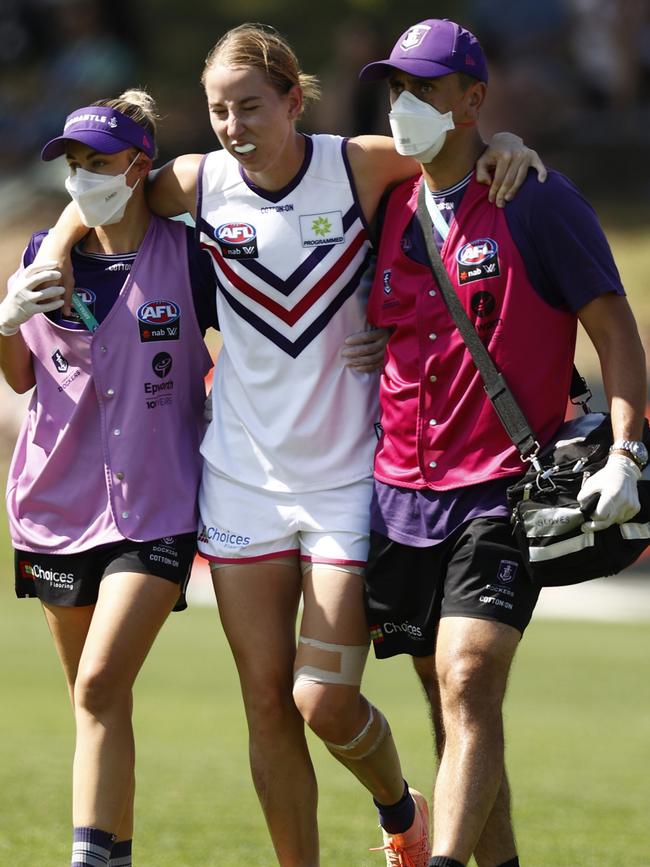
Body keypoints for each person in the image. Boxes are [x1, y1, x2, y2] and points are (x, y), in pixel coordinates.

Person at [35, 23, 546, 867]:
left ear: (290, 100)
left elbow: (450, 149)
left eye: (247, 106)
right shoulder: (195, 182)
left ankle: (397, 807)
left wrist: (509, 145)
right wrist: (55, 248)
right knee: (265, 703)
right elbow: (104, 186)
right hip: (239, 480)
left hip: (348, 480)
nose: (232, 124)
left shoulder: (359, 163)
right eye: (216, 110)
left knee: (323, 698)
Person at [358, 18, 647, 867]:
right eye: (397, 89)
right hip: (400, 492)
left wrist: (627, 449)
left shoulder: (536, 197)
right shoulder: (390, 206)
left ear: (473, 101)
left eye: (426, 90)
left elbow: (617, 330)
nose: (406, 105)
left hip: (501, 489)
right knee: (448, 703)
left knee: (468, 678)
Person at [0, 89, 217, 867]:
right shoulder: (42, 256)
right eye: (74, 164)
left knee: (97, 684)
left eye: (98, 163)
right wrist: (2, 319)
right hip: (53, 508)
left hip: (157, 511)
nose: (83, 178)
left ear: (138, 166)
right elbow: (21, 378)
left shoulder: (191, 259)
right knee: (96, 701)